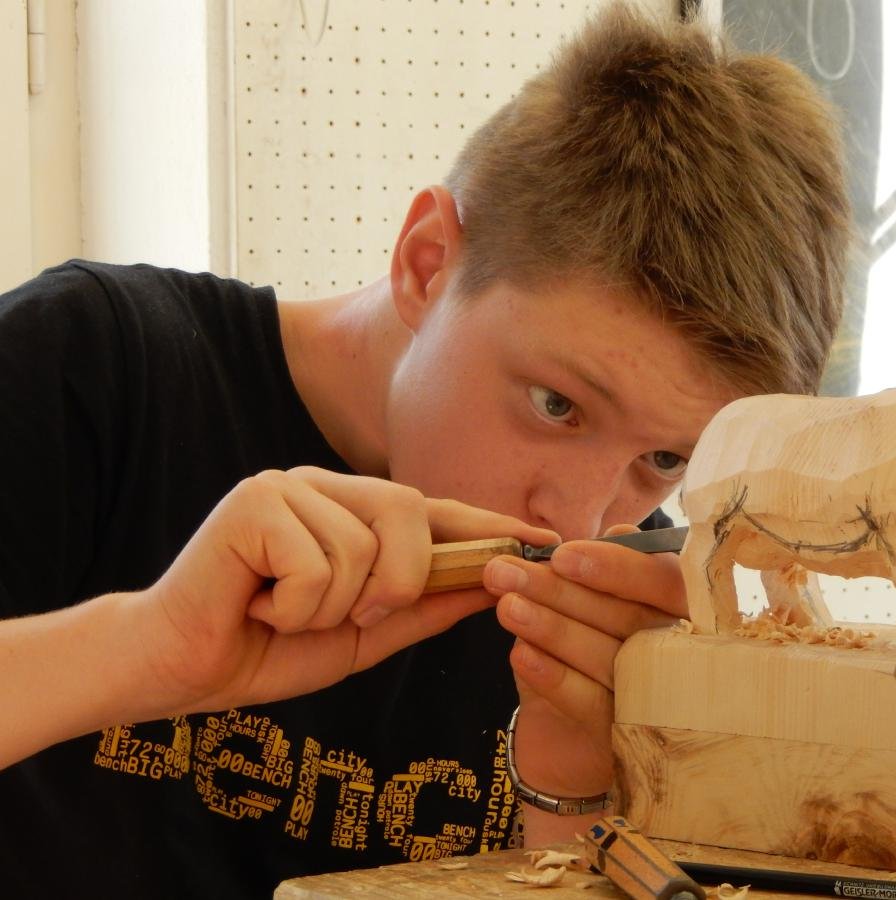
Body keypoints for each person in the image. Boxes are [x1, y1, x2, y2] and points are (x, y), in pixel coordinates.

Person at [0, 3, 848, 896]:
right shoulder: (90, 368)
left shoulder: (637, 615)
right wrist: (152, 647)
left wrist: (578, 782)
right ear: (428, 260)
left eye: (666, 461)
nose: (579, 518)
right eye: (558, 404)